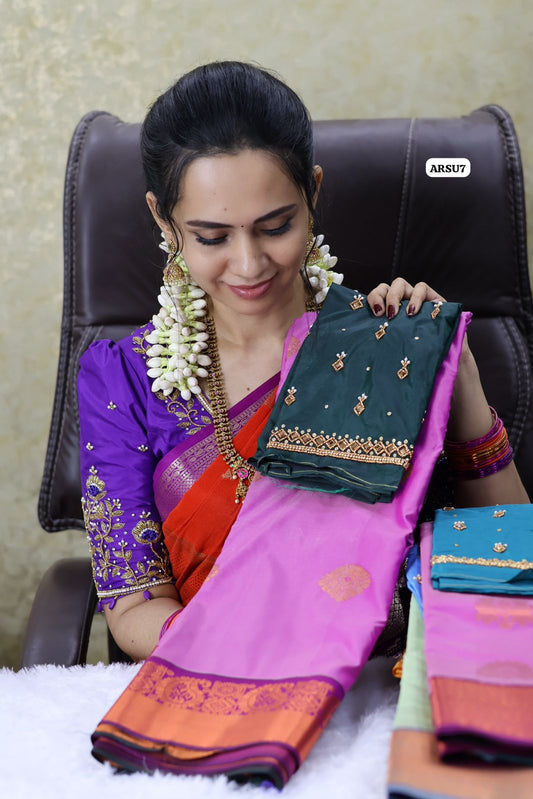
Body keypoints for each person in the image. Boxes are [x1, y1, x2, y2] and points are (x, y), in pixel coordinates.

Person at [78, 61, 529, 784]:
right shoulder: (122, 378)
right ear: (163, 220)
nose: (248, 263)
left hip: (386, 701)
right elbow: (133, 602)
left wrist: (460, 382)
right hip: (214, 700)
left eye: (276, 226)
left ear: (312, 194)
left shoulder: (384, 341)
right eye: (211, 236)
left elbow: (508, 558)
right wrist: (264, 651)